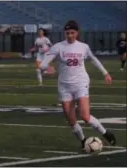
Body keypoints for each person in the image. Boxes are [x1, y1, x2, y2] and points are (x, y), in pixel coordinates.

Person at [39, 20, 116, 150]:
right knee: (71, 120)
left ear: (77, 33)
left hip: (81, 83)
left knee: (85, 116)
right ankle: (82, 140)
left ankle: (105, 133)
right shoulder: (58, 47)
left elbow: (93, 59)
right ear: (65, 33)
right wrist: (47, 68)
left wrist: (105, 73)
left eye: (72, 33)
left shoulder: (83, 47)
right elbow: (43, 64)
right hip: (64, 86)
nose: (70, 35)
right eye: (67, 33)